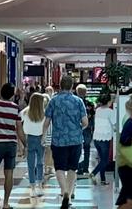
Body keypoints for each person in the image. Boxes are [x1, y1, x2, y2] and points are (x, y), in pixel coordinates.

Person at [42, 76, 88, 209]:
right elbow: (85, 122)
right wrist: (78, 128)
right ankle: (69, 192)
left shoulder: (54, 101)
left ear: (60, 86)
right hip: (75, 140)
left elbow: (46, 122)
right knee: (72, 168)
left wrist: (44, 136)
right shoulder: (78, 101)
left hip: (58, 140)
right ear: (72, 86)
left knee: (60, 168)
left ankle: (64, 192)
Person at [0, 83, 27, 209]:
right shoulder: (16, 108)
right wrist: (25, 144)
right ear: (12, 95)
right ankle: (6, 203)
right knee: (9, 173)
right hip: (11, 144)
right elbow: (19, 129)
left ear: (1, 92)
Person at [21, 93, 46, 198]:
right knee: (40, 162)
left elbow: (19, 123)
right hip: (41, 139)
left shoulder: (25, 112)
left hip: (29, 138)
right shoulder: (44, 113)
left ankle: (32, 188)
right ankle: (40, 185)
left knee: (31, 164)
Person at [90, 94, 115, 185]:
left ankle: (103, 180)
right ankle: (93, 173)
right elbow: (115, 123)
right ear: (108, 102)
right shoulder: (110, 111)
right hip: (105, 138)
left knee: (102, 160)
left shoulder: (98, 110)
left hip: (96, 138)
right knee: (105, 161)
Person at [76, 84, 95, 176]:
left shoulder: (75, 103)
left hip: (77, 128)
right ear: (86, 92)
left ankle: (79, 167)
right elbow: (92, 117)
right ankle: (86, 168)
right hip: (87, 128)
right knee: (87, 148)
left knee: (78, 148)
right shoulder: (90, 105)